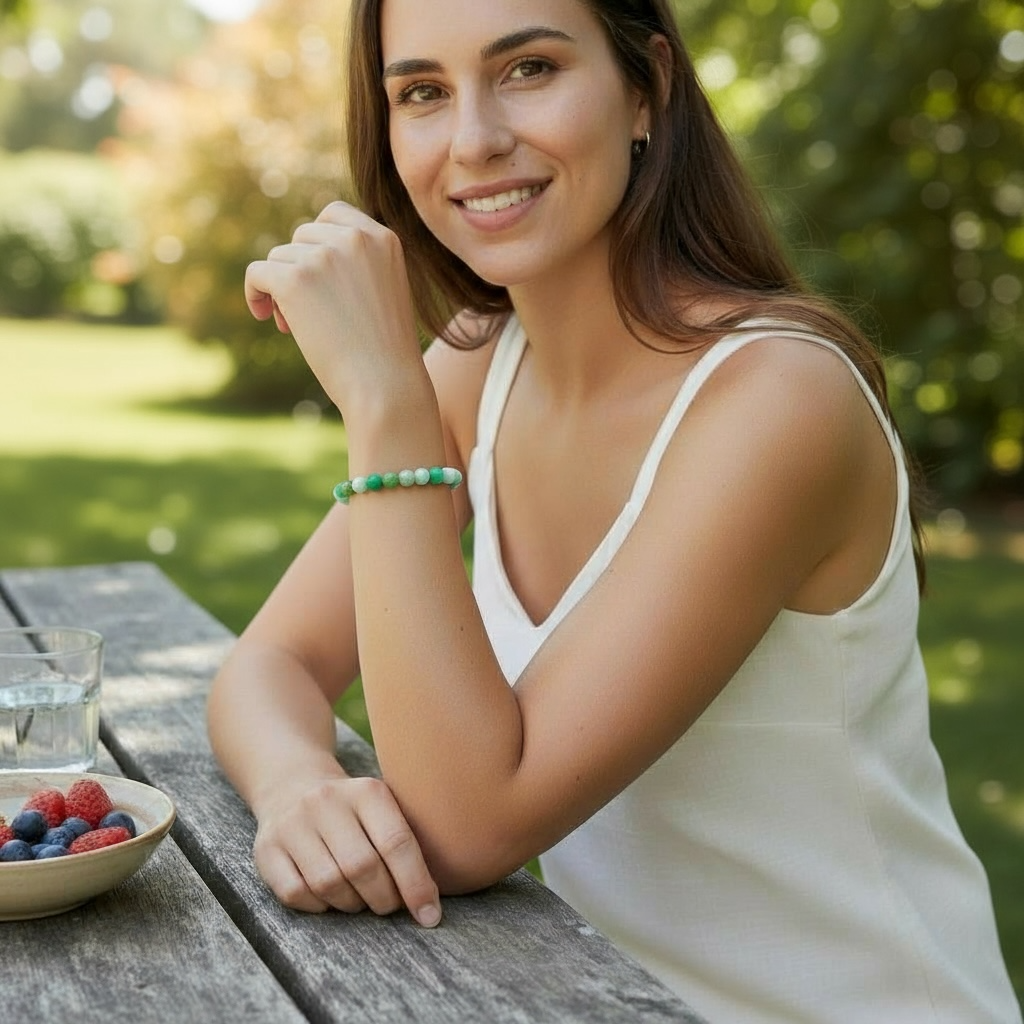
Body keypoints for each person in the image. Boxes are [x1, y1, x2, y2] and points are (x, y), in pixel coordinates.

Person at [206, 1, 1021, 1020]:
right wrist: (297, 786)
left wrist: (382, 407)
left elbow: (469, 822)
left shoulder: (776, 400)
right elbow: (267, 667)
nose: (473, 140)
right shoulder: (479, 364)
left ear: (649, 92)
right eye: (421, 92)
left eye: (529, 69)